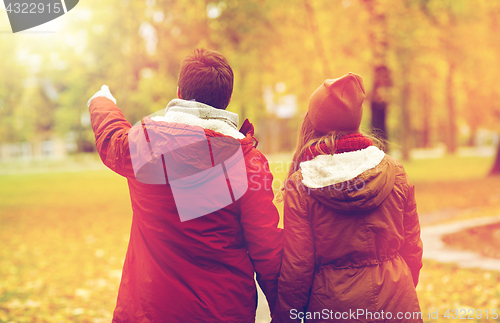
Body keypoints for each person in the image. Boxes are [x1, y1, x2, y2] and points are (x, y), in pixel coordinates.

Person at [87, 48, 283, 322]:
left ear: (179, 92)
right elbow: (267, 251)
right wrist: (284, 311)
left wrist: (101, 100)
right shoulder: (248, 163)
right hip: (222, 311)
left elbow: (110, 137)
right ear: (225, 101)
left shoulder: (144, 146)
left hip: (150, 310)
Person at [273, 73, 423, 322]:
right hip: (398, 304)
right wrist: (400, 289)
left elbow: (297, 269)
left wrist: (284, 317)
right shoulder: (395, 171)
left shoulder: (301, 185)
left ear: (314, 122)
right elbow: (413, 249)